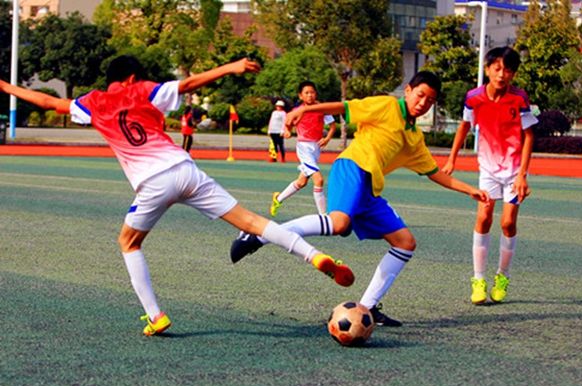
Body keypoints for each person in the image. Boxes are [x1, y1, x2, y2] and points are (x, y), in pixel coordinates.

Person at [0, 56, 355, 336]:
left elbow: (47, 101)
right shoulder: (143, 90)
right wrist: (230, 67)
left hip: (152, 182)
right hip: (185, 169)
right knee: (251, 221)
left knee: (129, 243)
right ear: (132, 78)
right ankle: (315, 256)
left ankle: (155, 316)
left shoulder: (93, 102)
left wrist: (4, 85)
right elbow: (187, 84)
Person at [230, 71, 490, 326]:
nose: (423, 103)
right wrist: (305, 110)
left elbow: (434, 172)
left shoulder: (414, 138)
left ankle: (368, 306)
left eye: (430, 101)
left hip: (370, 187)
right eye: (420, 95)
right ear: (408, 91)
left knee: (405, 243)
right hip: (352, 167)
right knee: (339, 223)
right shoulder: (387, 105)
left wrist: (470, 190)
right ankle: (259, 235)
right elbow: (344, 107)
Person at [441, 46, 537, 305]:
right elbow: (464, 127)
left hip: (514, 171)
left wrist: (522, 175)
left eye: (508, 70)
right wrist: (451, 159)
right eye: (497, 68)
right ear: (487, 69)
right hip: (488, 169)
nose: (502, 74)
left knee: (507, 223)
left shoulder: (519, 98)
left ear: (513, 74)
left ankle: (502, 276)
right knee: (484, 217)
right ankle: (478, 279)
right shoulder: (474, 97)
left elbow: (529, 135)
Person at [270, 81, 336, 216]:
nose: (310, 95)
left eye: (312, 92)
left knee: (301, 182)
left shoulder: (321, 108)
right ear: (300, 96)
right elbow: (288, 123)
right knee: (319, 180)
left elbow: (333, 126)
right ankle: (323, 216)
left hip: (316, 148)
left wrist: (327, 138)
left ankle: (278, 198)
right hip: (304, 147)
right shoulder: (298, 110)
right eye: (306, 93)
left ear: (316, 94)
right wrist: (287, 131)